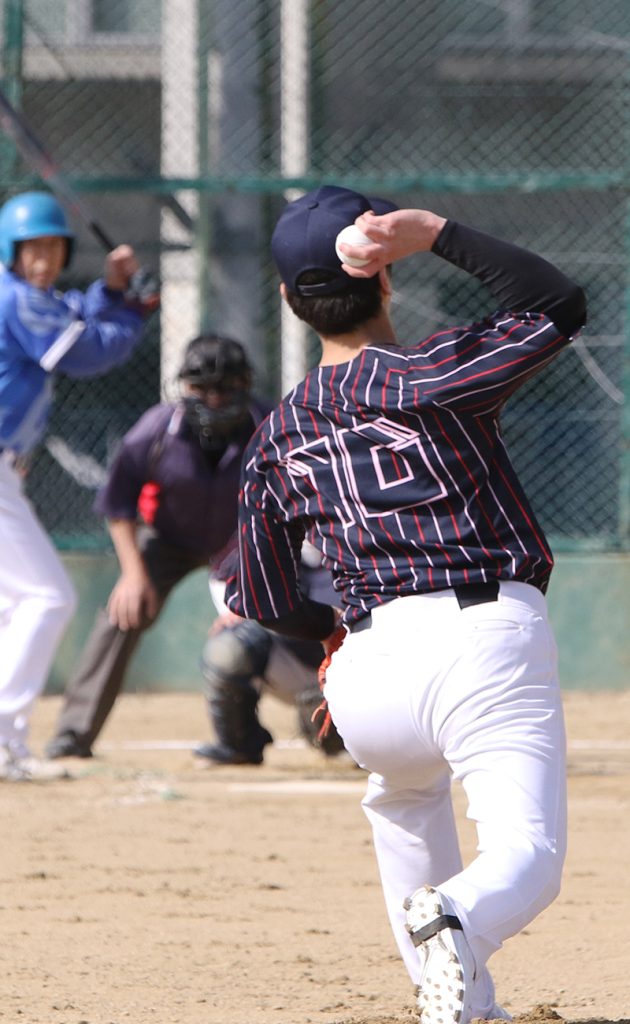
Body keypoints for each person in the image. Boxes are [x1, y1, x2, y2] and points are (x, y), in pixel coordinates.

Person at [223, 185, 587, 1024]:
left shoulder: (277, 435)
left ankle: (459, 1002)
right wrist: (436, 232)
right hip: (482, 636)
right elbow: (557, 305)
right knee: (525, 854)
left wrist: (330, 636)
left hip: (365, 669)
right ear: (383, 278)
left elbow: (260, 594)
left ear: (290, 300)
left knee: (405, 798)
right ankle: (459, 917)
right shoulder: (435, 371)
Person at [44, 334, 343, 764]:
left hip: (246, 542)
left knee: (272, 622)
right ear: (183, 385)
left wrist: (258, 581)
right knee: (121, 613)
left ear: (246, 383)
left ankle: (327, 715)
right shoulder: (157, 428)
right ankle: (74, 734)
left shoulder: (269, 425)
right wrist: (133, 575)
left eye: (226, 386)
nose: (214, 398)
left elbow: (297, 503)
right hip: (169, 539)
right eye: (201, 387)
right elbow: (117, 505)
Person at [0, 189, 150, 782]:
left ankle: (6, 740)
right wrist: (133, 312)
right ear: (11, 252)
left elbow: (76, 313)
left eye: (54, 248)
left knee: (15, 605)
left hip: (7, 468)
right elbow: (86, 351)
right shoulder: (15, 298)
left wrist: (112, 292)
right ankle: (3, 740)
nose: (45, 260)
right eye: (32, 249)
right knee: (48, 597)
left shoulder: (25, 296)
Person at [196, 542, 345, 765]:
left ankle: (364, 737)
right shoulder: (267, 539)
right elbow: (223, 575)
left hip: (357, 668)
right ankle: (238, 744)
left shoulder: (360, 539)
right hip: (292, 663)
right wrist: (241, 608)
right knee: (229, 649)